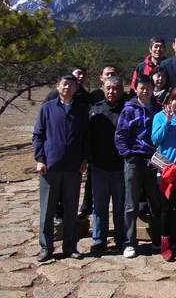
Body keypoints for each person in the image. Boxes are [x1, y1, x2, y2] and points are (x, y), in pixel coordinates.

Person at [33, 73, 91, 262]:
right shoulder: (47, 108)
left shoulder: (81, 110)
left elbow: (86, 137)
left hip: (73, 166)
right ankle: (46, 247)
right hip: (50, 166)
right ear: (57, 86)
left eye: (71, 85)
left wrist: (85, 159)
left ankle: (70, 247)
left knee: (71, 208)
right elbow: (38, 135)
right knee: (47, 209)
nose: (67, 87)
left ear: (76, 88)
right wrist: (40, 159)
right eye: (64, 84)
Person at [115, 74, 162, 259]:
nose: (145, 91)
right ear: (136, 89)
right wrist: (128, 156)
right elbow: (120, 136)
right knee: (131, 204)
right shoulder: (129, 110)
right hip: (134, 160)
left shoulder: (159, 108)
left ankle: (157, 240)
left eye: (148, 87)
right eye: (142, 87)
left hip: (153, 161)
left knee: (155, 203)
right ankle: (129, 242)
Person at [151, 88, 176, 261]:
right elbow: (155, 140)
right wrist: (167, 122)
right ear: (170, 100)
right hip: (166, 169)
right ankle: (165, 245)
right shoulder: (160, 117)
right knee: (166, 209)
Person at [88, 76, 126, 253]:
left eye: (115, 88)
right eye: (108, 88)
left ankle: (120, 239)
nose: (111, 92)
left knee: (120, 207)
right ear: (103, 89)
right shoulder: (95, 111)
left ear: (122, 90)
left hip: (120, 167)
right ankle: (99, 239)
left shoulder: (127, 110)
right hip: (99, 167)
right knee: (99, 207)